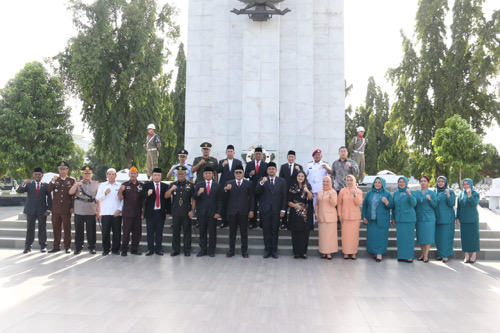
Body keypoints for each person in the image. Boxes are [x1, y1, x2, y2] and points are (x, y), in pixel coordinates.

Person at [255, 162, 287, 259]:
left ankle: (274, 250)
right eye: (269, 169)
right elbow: (256, 192)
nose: (271, 170)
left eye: (273, 169)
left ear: (276, 170)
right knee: (266, 231)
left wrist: (283, 209)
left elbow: (284, 196)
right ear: (267, 171)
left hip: (276, 210)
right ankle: (267, 250)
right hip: (265, 210)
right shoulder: (262, 180)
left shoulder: (281, 181)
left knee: (274, 231)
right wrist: (261, 183)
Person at [222, 165, 254, 258]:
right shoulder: (229, 183)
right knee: (232, 233)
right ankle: (231, 250)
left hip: (244, 212)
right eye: (237, 172)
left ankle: (244, 251)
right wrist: (225, 190)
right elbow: (223, 199)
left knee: (244, 233)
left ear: (243, 173)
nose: (238, 174)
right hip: (232, 212)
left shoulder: (249, 183)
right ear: (234, 174)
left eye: (240, 172)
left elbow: (252, 199)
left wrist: (251, 210)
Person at [17, 167, 52, 253]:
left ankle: (43, 246)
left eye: (39, 174)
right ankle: (28, 247)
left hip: (42, 211)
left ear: (42, 175)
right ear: (33, 175)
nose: (37, 176)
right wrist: (23, 184)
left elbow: (50, 199)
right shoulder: (29, 184)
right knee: (30, 228)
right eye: (35, 174)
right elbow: (19, 191)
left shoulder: (46, 185)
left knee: (42, 228)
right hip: (30, 210)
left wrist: (48, 209)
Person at [165, 166, 196, 257]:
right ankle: (176, 250)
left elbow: (194, 199)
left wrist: (193, 210)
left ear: (185, 174)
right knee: (175, 231)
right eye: (179, 174)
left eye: (182, 174)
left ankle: (187, 250)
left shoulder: (190, 185)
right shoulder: (172, 184)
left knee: (187, 231)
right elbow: (166, 196)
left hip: (186, 212)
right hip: (176, 212)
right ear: (176, 175)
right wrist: (171, 189)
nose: (181, 175)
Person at [69, 165, 99, 255]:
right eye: (85, 173)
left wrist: (98, 210)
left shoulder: (96, 184)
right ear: (82, 174)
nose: (87, 175)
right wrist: (76, 185)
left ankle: (92, 247)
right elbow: (70, 192)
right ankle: (78, 248)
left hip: (91, 208)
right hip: (79, 209)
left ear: (92, 175)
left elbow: (98, 198)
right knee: (79, 230)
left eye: (88, 173)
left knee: (91, 230)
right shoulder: (77, 183)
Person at [362, 177, 394, 262]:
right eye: (375, 182)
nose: (377, 184)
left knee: (381, 237)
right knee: (373, 237)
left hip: (382, 220)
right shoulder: (369, 193)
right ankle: (375, 253)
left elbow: (391, 205)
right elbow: (365, 205)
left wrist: (387, 202)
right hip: (371, 220)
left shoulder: (386, 193)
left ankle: (379, 253)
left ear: (382, 184)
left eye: (379, 182)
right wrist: (364, 216)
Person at [47, 161, 75, 253]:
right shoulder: (55, 180)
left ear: (67, 170)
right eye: (60, 169)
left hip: (66, 208)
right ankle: (56, 246)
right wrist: (52, 181)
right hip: (56, 209)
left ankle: (67, 246)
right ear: (58, 170)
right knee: (56, 228)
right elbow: (48, 190)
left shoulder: (71, 181)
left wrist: (72, 206)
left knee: (67, 228)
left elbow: (73, 196)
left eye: (64, 169)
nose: (62, 171)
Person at [193, 167, 222, 257]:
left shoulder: (217, 185)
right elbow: (194, 197)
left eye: (209, 173)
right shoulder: (199, 184)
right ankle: (203, 250)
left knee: (212, 232)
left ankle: (211, 250)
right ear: (203, 175)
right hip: (201, 212)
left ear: (213, 174)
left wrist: (218, 212)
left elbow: (220, 200)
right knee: (202, 232)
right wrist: (198, 193)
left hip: (213, 213)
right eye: (206, 173)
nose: (208, 175)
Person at [141, 168, 170, 256]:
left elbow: (168, 200)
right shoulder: (147, 185)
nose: (157, 177)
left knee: (159, 231)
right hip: (150, 212)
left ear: (161, 176)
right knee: (150, 231)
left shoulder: (165, 186)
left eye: (158, 175)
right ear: (152, 176)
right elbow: (141, 196)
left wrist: (168, 211)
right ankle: (150, 249)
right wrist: (147, 194)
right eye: (155, 175)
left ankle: (158, 249)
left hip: (160, 212)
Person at [96, 168, 123, 256]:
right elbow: (98, 198)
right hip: (106, 213)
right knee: (105, 232)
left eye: (113, 174)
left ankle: (115, 249)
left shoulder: (120, 185)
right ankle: (106, 249)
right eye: (109, 174)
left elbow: (123, 199)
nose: (111, 176)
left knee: (117, 232)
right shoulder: (103, 185)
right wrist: (105, 193)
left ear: (116, 176)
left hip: (116, 213)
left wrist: (119, 209)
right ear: (106, 175)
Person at [287, 171, 313, 259]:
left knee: (305, 233)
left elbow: (310, 198)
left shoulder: (308, 186)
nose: (300, 177)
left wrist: (307, 191)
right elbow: (288, 201)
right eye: (299, 176)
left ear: (304, 177)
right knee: (295, 233)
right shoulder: (292, 187)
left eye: (302, 176)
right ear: (296, 177)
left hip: (305, 214)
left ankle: (303, 253)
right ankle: (296, 252)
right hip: (295, 213)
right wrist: (295, 206)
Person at [118, 166, 143, 256]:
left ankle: (134, 249)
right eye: (131, 173)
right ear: (129, 174)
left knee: (137, 232)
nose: (133, 175)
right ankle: (124, 250)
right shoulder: (125, 185)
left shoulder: (141, 185)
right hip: (127, 213)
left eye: (134, 173)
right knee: (126, 232)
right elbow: (120, 198)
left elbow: (143, 200)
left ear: (137, 175)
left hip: (137, 213)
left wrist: (143, 212)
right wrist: (121, 191)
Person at [217, 144, 243, 229]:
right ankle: (224, 221)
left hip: (235, 185)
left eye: (231, 151)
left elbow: (241, 173)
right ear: (226, 153)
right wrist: (223, 165)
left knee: (235, 203)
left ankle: (237, 222)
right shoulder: (222, 161)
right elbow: (217, 171)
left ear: (234, 152)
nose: (229, 153)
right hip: (224, 185)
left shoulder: (238, 162)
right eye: (228, 152)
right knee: (224, 203)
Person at [392, 176, 417, 263]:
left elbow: (414, 203)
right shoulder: (396, 193)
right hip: (399, 219)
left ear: (406, 183)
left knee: (409, 239)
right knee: (401, 238)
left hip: (409, 219)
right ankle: (402, 256)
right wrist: (393, 218)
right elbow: (394, 207)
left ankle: (409, 256)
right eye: (400, 182)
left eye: (403, 182)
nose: (401, 183)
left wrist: (410, 195)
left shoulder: (411, 191)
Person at [337, 174, 363, 260]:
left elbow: (359, 203)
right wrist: (339, 214)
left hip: (355, 217)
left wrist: (354, 194)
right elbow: (339, 203)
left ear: (354, 181)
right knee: (345, 236)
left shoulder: (358, 191)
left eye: (351, 180)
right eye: (347, 180)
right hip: (344, 217)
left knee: (354, 235)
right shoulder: (342, 191)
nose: (349, 182)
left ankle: (354, 252)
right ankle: (346, 252)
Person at [456, 178, 480, 264]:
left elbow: (474, 204)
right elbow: (458, 208)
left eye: (467, 184)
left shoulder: (475, 194)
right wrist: (457, 218)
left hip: (473, 219)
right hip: (464, 219)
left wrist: (470, 195)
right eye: (464, 184)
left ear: (471, 184)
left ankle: (474, 255)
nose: (465, 186)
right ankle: (466, 255)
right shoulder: (460, 195)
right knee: (464, 238)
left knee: (474, 238)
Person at [306, 149, 332, 224]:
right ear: (313, 156)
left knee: (322, 205)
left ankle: (321, 220)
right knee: (313, 205)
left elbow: (331, 173)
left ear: (321, 156)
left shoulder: (324, 164)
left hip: (321, 189)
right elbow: (305, 175)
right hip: (312, 189)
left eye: (318, 155)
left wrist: (326, 168)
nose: (317, 156)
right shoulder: (309, 165)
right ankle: (313, 221)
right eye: (315, 155)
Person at [244, 147, 269, 228]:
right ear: (253, 155)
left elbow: (267, 176)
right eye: (256, 154)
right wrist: (250, 174)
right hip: (252, 187)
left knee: (262, 205)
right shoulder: (249, 164)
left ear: (262, 155)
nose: (258, 155)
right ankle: (252, 223)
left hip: (262, 188)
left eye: (259, 154)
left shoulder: (265, 165)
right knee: (252, 205)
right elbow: (245, 175)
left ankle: (262, 223)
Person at [414, 175, 437, 263]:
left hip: (429, 218)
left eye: (425, 181)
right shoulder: (417, 193)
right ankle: (422, 254)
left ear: (428, 182)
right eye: (421, 181)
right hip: (419, 217)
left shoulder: (432, 193)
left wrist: (430, 199)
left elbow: (435, 205)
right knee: (421, 237)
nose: (423, 183)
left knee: (428, 237)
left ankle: (426, 255)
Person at [279, 150, 303, 229]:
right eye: (289, 157)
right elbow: (281, 178)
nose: (291, 158)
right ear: (287, 158)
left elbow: (302, 177)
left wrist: (298, 170)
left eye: (292, 157)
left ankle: (293, 222)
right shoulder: (283, 166)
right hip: (285, 190)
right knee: (285, 205)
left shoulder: (299, 166)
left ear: (295, 158)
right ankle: (284, 222)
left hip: (295, 190)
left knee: (294, 205)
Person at [315, 176, 338, 259]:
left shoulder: (333, 192)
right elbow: (317, 204)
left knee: (330, 236)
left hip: (330, 217)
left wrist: (330, 196)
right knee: (323, 236)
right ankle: (323, 252)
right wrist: (316, 214)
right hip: (321, 217)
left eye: (327, 181)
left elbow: (334, 204)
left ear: (330, 182)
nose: (325, 183)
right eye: (324, 181)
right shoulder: (320, 192)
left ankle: (329, 253)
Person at [435, 176, 456, 263]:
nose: (440, 183)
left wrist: (448, 195)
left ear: (445, 182)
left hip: (447, 219)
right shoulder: (435, 192)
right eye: (439, 181)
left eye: (442, 181)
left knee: (446, 237)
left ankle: (446, 255)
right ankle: (440, 254)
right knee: (438, 238)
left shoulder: (450, 191)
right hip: (437, 218)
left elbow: (452, 203)